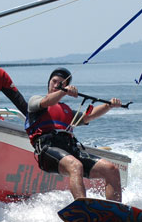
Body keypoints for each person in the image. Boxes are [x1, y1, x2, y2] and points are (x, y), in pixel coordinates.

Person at [25, 67, 123, 202]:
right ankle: (83, 207)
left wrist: (109, 106)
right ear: (49, 82)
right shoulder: (35, 101)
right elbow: (49, 101)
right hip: (47, 151)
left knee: (111, 169)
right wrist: (63, 91)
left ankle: (115, 210)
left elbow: (88, 117)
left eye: (61, 84)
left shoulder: (66, 111)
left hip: (70, 150)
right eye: (54, 81)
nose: (56, 85)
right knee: (75, 166)